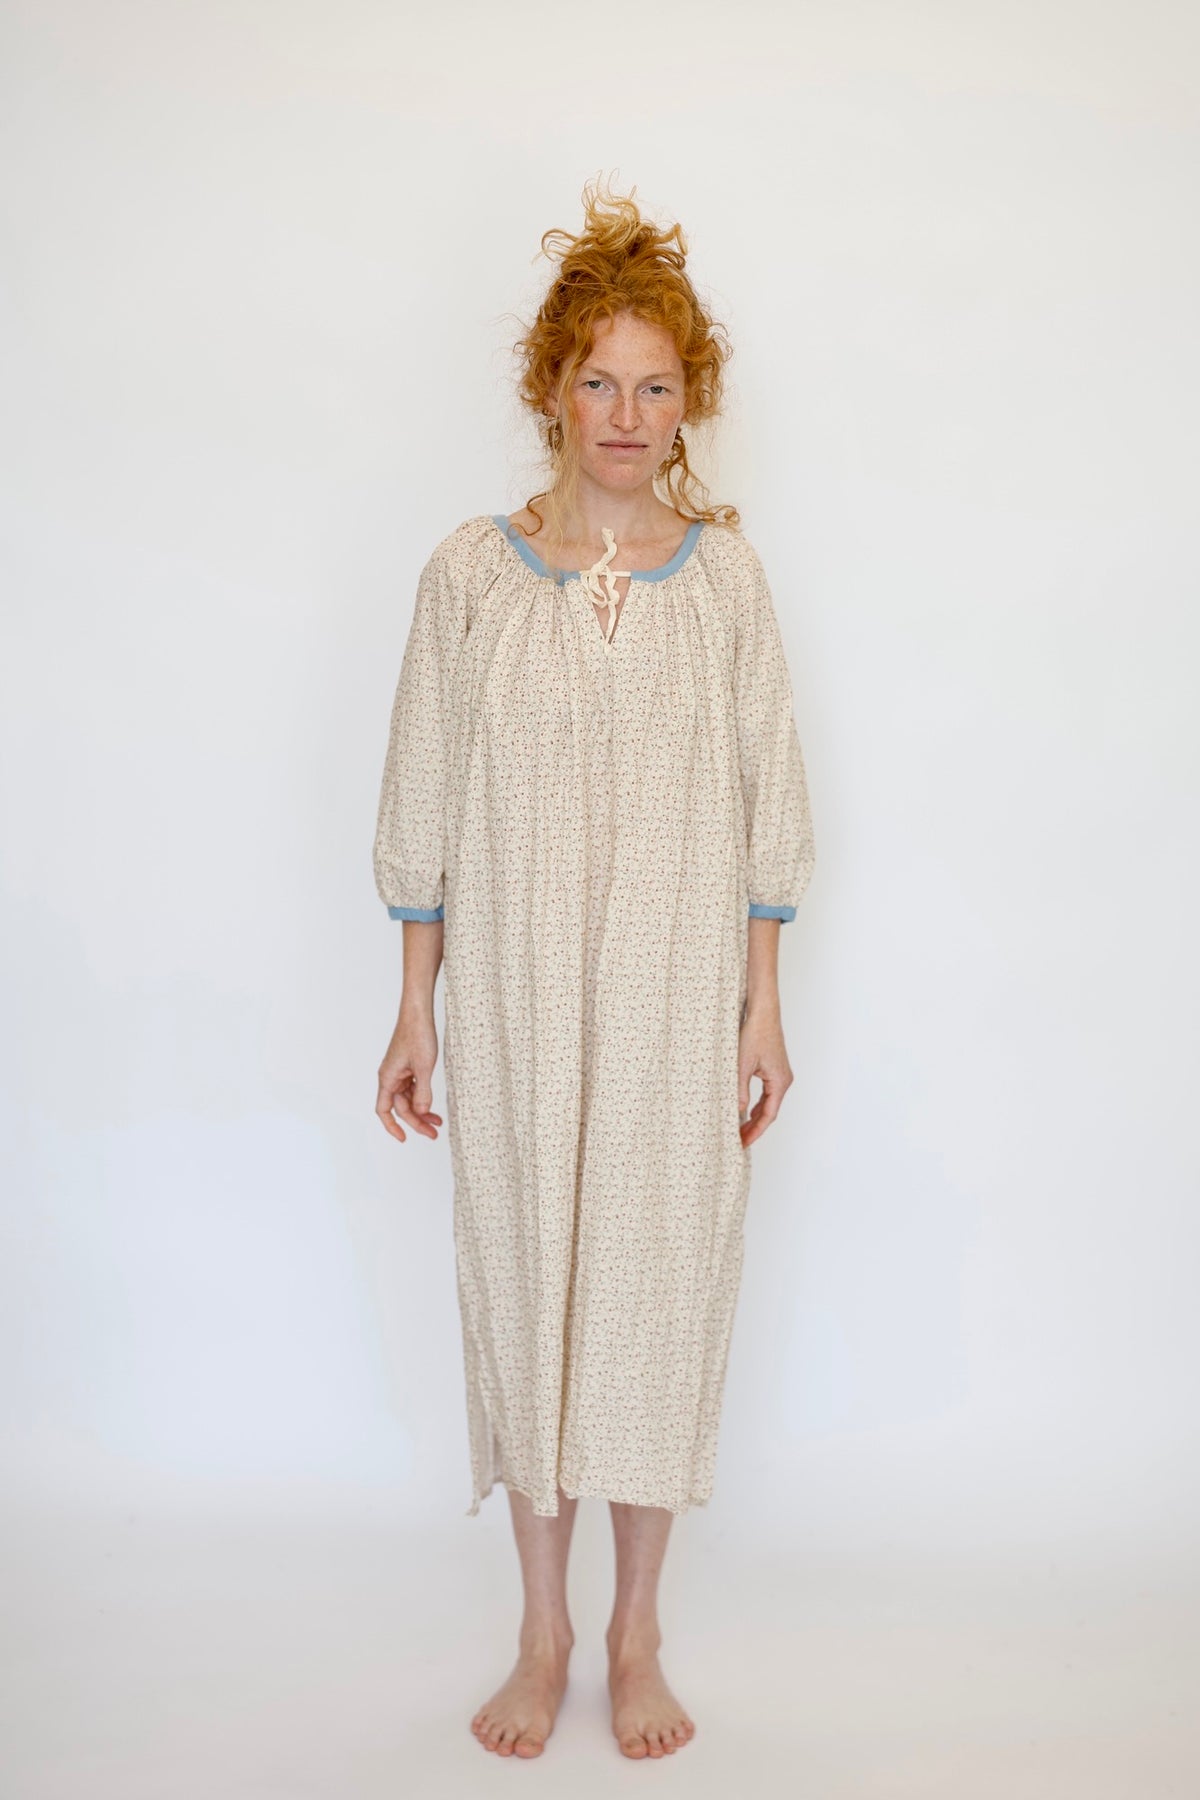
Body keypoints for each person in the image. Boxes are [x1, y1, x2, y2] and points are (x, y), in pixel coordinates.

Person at [372, 178, 816, 1761]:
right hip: (511, 1003)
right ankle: (540, 1626)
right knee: (528, 1284)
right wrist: (414, 1009)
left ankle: (635, 1629)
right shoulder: (470, 579)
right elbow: (422, 799)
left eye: (656, 385)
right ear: (551, 389)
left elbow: (771, 797)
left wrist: (763, 1007)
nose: (627, 415)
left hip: (673, 1007)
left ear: (689, 403)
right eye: (599, 380)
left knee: (651, 1295)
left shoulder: (728, 585)